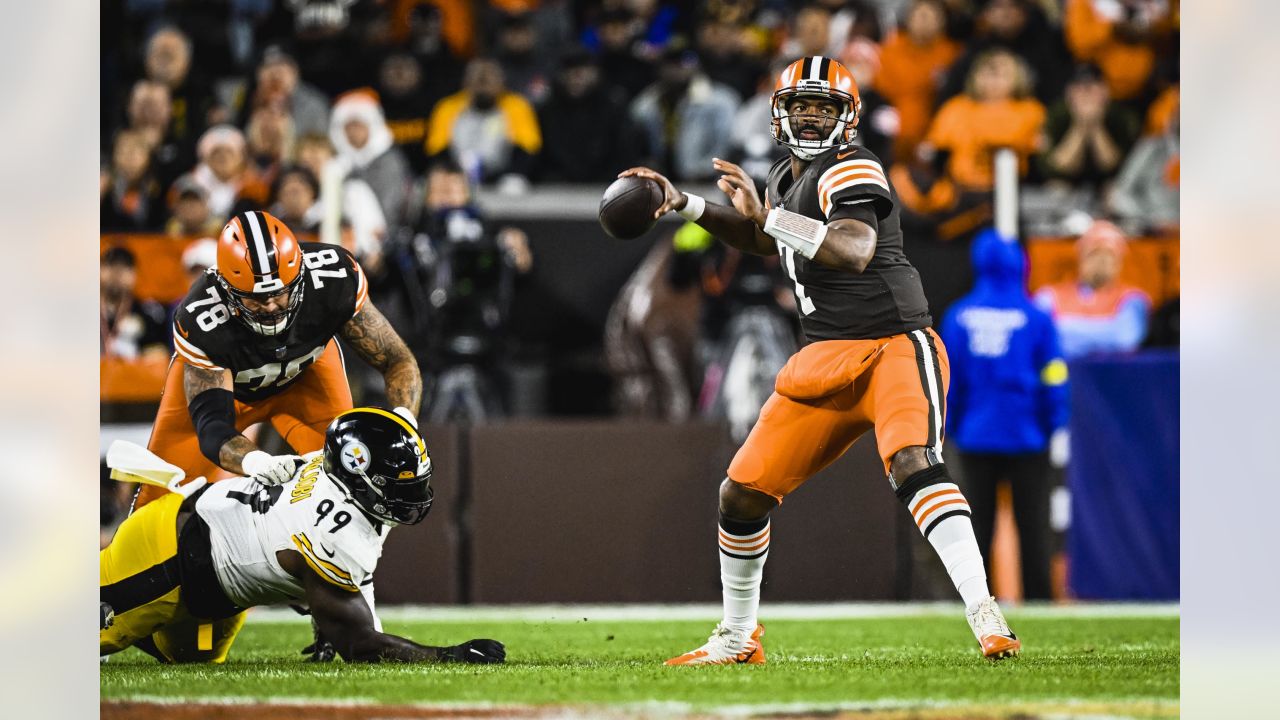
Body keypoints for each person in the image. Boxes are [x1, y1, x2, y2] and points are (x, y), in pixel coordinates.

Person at [621, 56, 1019, 664]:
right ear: (780, 113)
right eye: (801, 106)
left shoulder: (851, 167)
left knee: (914, 462)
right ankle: (736, 637)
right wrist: (687, 205)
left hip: (892, 346)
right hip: (826, 357)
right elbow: (762, 238)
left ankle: (987, 615)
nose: (810, 117)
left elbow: (855, 249)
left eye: (824, 107)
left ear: (847, 117)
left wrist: (772, 217)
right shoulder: (786, 175)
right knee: (743, 493)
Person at [101, 407, 505, 665]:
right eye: (398, 485)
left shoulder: (330, 471)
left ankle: (125, 613)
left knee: (189, 657)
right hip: (166, 552)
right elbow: (360, 645)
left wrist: (327, 613)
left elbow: (340, 576)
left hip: (217, 588)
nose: (412, 496)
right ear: (359, 478)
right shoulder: (337, 530)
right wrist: (445, 656)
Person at [138, 208, 422, 513]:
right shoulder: (201, 319)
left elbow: (396, 360)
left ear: (300, 275)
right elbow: (212, 427)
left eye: (280, 292)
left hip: (305, 375)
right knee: (156, 504)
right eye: (256, 298)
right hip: (229, 391)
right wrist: (254, 460)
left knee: (353, 480)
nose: (271, 305)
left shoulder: (334, 277)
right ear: (227, 290)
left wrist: (405, 420)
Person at [939, 228, 1068, 601]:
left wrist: (955, 426)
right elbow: (1054, 373)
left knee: (977, 528)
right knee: (1034, 528)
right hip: (1028, 436)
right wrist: (1052, 421)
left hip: (976, 436)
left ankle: (979, 606)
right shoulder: (1036, 317)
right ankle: (1039, 601)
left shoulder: (959, 317)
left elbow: (953, 379)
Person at [920, 49, 1046, 192]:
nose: (993, 79)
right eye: (987, 72)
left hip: (1014, 189)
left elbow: (1039, 151)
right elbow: (933, 149)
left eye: (1001, 73)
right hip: (960, 190)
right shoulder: (956, 108)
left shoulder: (1031, 110)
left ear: (1017, 77)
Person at [1034, 219, 1151, 358]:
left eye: (1109, 255)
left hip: (1115, 376)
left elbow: (1124, 339)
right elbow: (1039, 335)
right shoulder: (1049, 295)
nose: (1102, 262)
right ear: (1081, 256)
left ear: (1119, 261)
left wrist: (1063, 327)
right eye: (1095, 254)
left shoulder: (1133, 298)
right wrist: (1105, 330)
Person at [425, 58, 542, 190]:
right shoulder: (447, 107)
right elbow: (437, 151)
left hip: (503, 178)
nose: (483, 87)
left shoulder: (517, 106)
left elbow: (528, 149)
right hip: (457, 176)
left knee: (514, 185)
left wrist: (510, 174)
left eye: (489, 80)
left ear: (501, 81)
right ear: (465, 82)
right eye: (478, 81)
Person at [629, 48, 740, 182]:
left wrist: (707, 170)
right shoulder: (648, 102)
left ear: (697, 66)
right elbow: (639, 141)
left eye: (683, 64)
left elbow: (727, 144)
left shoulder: (720, 100)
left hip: (708, 181)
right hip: (662, 178)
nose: (677, 70)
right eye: (671, 64)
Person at [1035, 63, 1141, 189]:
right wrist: (1079, 125)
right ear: (1069, 94)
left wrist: (1096, 125)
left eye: (1091, 88)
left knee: (1115, 190)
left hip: (1109, 183)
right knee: (1056, 188)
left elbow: (1115, 166)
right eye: (1079, 88)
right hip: (1066, 183)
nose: (1086, 94)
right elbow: (1057, 167)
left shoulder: (1121, 116)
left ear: (1105, 91)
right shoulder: (1055, 115)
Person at [100, 246, 170, 362]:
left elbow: (159, 353)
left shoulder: (147, 313)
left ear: (135, 274)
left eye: (125, 267)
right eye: (111, 265)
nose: (117, 273)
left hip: (131, 378)